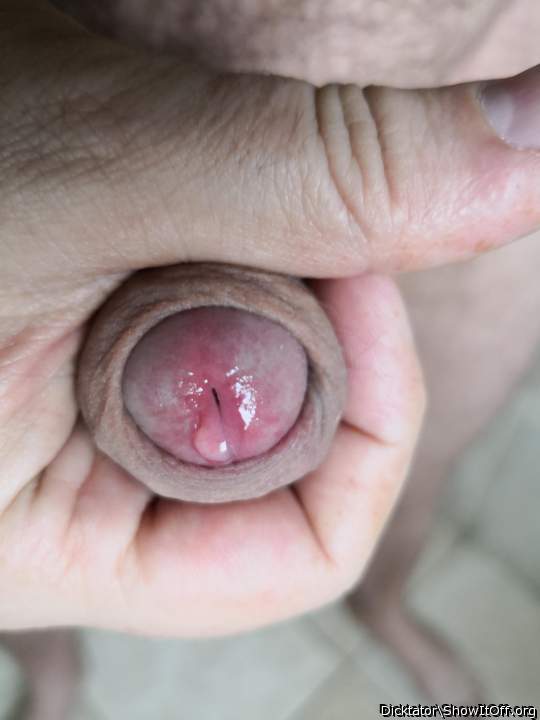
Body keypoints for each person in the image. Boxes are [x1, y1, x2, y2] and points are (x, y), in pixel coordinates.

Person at [1, 0, 540, 714]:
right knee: (24, 510)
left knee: (418, 461)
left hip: (467, 105)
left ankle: (382, 602)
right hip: (80, 114)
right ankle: (49, 662)